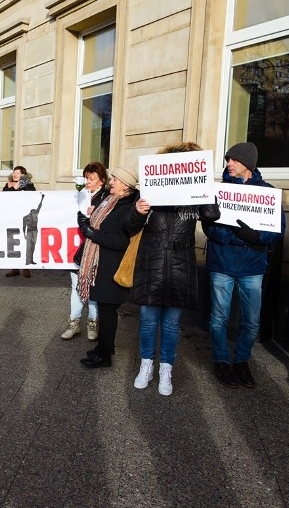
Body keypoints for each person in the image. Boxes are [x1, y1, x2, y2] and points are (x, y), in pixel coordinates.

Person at [127, 142, 220, 396]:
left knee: (170, 323)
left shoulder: (196, 193)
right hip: (152, 262)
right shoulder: (148, 188)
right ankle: (146, 365)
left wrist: (205, 184)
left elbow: (212, 214)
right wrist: (137, 211)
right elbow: (130, 226)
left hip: (180, 264)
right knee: (148, 320)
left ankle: (166, 368)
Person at [202, 142, 284, 389]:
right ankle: (220, 360)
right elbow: (210, 228)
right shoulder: (219, 191)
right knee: (219, 317)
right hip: (222, 264)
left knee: (251, 321)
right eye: (227, 159)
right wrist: (240, 236)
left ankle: (241, 361)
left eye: (233, 160)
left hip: (252, 266)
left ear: (248, 163)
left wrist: (257, 238)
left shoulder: (267, 192)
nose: (228, 164)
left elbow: (277, 229)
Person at [77, 166, 140, 369]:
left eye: (115, 179)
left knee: (107, 310)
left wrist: (92, 234)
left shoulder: (128, 207)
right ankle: (104, 348)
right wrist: (87, 221)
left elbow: (121, 241)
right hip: (101, 263)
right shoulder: (112, 200)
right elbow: (99, 222)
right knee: (105, 309)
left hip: (112, 265)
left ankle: (104, 355)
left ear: (126, 186)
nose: (111, 182)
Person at [62, 161, 109, 341]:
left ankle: (92, 322)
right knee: (76, 287)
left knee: (92, 288)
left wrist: (95, 213)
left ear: (101, 181)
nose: (88, 181)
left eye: (92, 178)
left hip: (95, 251)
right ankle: (74, 323)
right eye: (86, 178)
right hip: (78, 250)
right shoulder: (79, 195)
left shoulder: (106, 199)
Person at [2, 165, 37, 278]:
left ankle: (26, 268)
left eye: (18, 173)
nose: (15, 175)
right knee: (12, 242)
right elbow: (4, 195)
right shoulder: (8, 184)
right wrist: (13, 188)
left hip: (25, 218)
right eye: (14, 173)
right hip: (12, 217)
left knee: (25, 242)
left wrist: (20, 186)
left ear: (23, 175)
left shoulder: (28, 185)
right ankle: (14, 268)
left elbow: (33, 195)